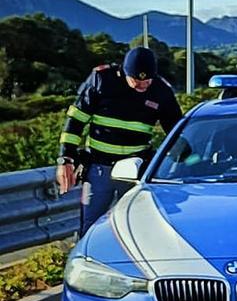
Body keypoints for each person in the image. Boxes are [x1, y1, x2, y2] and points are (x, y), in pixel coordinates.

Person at [57, 47, 183, 232]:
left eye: (147, 80)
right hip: (99, 169)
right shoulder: (102, 80)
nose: (143, 85)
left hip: (137, 170)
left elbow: (176, 133)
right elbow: (75, 121)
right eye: (137, 80)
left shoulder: (161, 91)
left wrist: (192, 162)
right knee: (91, 227)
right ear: (125, 72)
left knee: (137, 226)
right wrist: (65, 158)